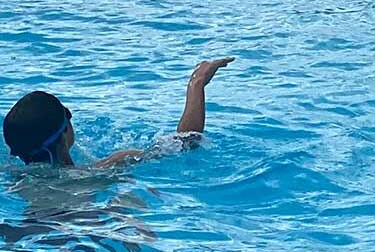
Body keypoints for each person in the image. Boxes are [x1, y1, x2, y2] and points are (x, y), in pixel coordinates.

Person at [3, 57, 234, 169]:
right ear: (65, 133)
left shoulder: (14, 180)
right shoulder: (103, 168)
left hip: (27, 233)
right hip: (80, 228)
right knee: (128, 200)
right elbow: (187, 142)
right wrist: (197, 84)